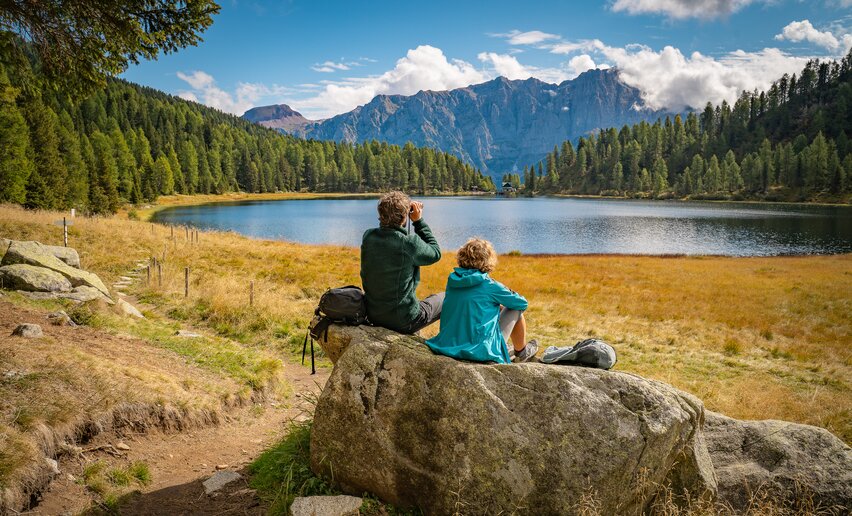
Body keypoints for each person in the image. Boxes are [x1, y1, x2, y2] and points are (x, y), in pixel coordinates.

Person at [426, 238, 538, 364]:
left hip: (447, 344)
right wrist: (501, 301)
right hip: (479, 350)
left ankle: (515, 350)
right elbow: (522, 303)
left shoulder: (453, 280)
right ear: (487, 260)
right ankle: (522, 352)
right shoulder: (489, 284)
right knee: (514, 309)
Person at [361, 191, 444, 334]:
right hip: (404, 320)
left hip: (374, 315)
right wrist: (418, 221)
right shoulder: (408, 243)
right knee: (445, 298)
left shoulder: (368, 236)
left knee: (425, 301)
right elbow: (435, 253)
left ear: (381, 214)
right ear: (404, 216)